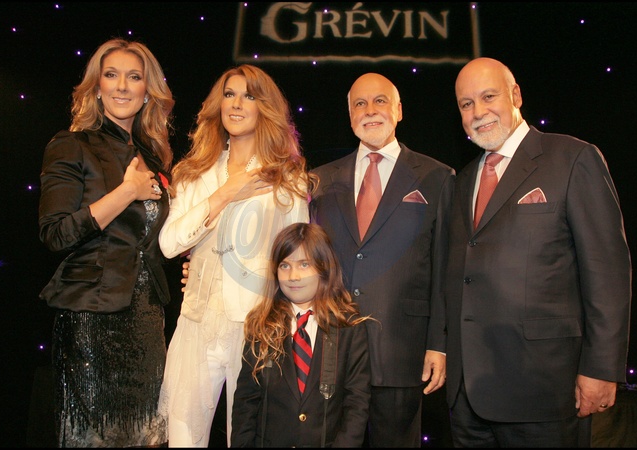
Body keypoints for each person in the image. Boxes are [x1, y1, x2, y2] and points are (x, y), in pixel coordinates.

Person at [444, 57, 632, 447]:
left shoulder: (572, 158)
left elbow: (607, 271)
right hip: (467, 397)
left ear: (515, 95)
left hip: (545, 390)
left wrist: (601, 368)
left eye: (488, 97)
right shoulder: (462, 181)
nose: (478, 112)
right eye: (466, 104)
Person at [157, 64, 317, 447]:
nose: (236, 104)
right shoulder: (194, 172)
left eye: (249, 96)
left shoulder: (286, 177)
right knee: (183, 438)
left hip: (255, 327)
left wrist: (291, 325)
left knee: (247, 437)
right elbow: (169, 244)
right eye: (229, 94)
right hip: (196, 321)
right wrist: (227, 192)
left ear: (265, 107)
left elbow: (295, 257)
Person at [38, 38, 175, 447]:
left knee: (146, 436)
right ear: (97, 87)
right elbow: (56, 233)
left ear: (147, 91)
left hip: (147, 319)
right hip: (92, 319)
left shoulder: (154, 158)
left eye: (134, 77)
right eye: (111, 75)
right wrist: (126, 192)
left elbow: (155, 238)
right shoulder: (72, 144)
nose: (122, 86)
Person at [309, 72, 455, 447]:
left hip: (402, 349)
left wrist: (438, 343)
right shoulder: (319, 181)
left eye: (380, 101)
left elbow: (445, 269)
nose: (370, 110)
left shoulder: (438, 177)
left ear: (399, 110)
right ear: (349, 115)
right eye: (360, 103)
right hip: (332, 349)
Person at [230, 222, 372, 447]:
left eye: (304, 264)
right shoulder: (262, 325)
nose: (293, 276)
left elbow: (356, 404)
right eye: (285, 265)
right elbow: (246, 402)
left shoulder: (349, 327)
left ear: (324, 268)